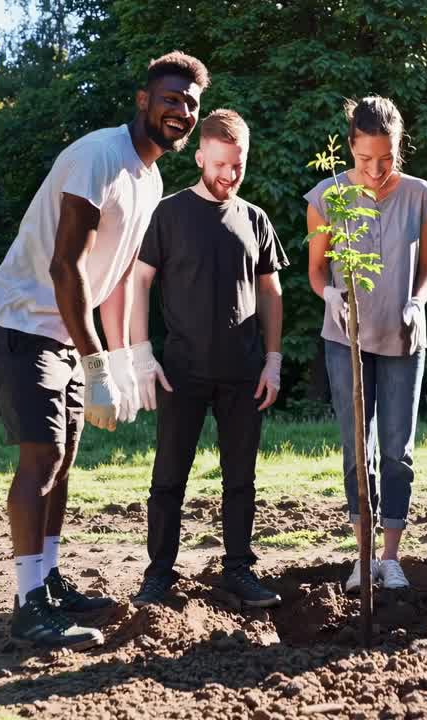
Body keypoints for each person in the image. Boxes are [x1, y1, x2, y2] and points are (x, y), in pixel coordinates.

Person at [0, 51, 209, 648]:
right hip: (25, 320)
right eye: (169, 98)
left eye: (189, 103)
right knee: (42, 457)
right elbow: (66, 267)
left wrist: (129, 358)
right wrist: (96, 361)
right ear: (142, 99)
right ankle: (29, 605)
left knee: (65, 457)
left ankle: (48, 580)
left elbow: (116, 279)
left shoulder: (151, 178)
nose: (179, 111)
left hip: (66, 330)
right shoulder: (98, 156)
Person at [129, 109, 288, 609]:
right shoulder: (169, 214)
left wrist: (274, 360)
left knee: (240, 480)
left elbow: (271, 291)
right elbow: (139, 282)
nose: (229, 175)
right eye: (220, 164)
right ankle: (159, 575)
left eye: (237, 165)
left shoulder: (255, 219)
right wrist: (141, 354)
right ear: (200, 157)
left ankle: (239, 570)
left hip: (243, 374)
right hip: (180, 372)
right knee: (168, 478)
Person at [305, 96, 427, 594]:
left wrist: (417, 302)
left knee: (397, 451)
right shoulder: (326, 197)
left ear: (398, 148)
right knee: (354, 451)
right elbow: (316, 270)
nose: (377, 169)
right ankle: (362, 556)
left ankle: (390, 558)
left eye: (387, 158)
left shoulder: (422, 196)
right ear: (351, 148)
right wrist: (331, 295)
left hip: (404, 339)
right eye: (365, 159)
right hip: (346, 340)